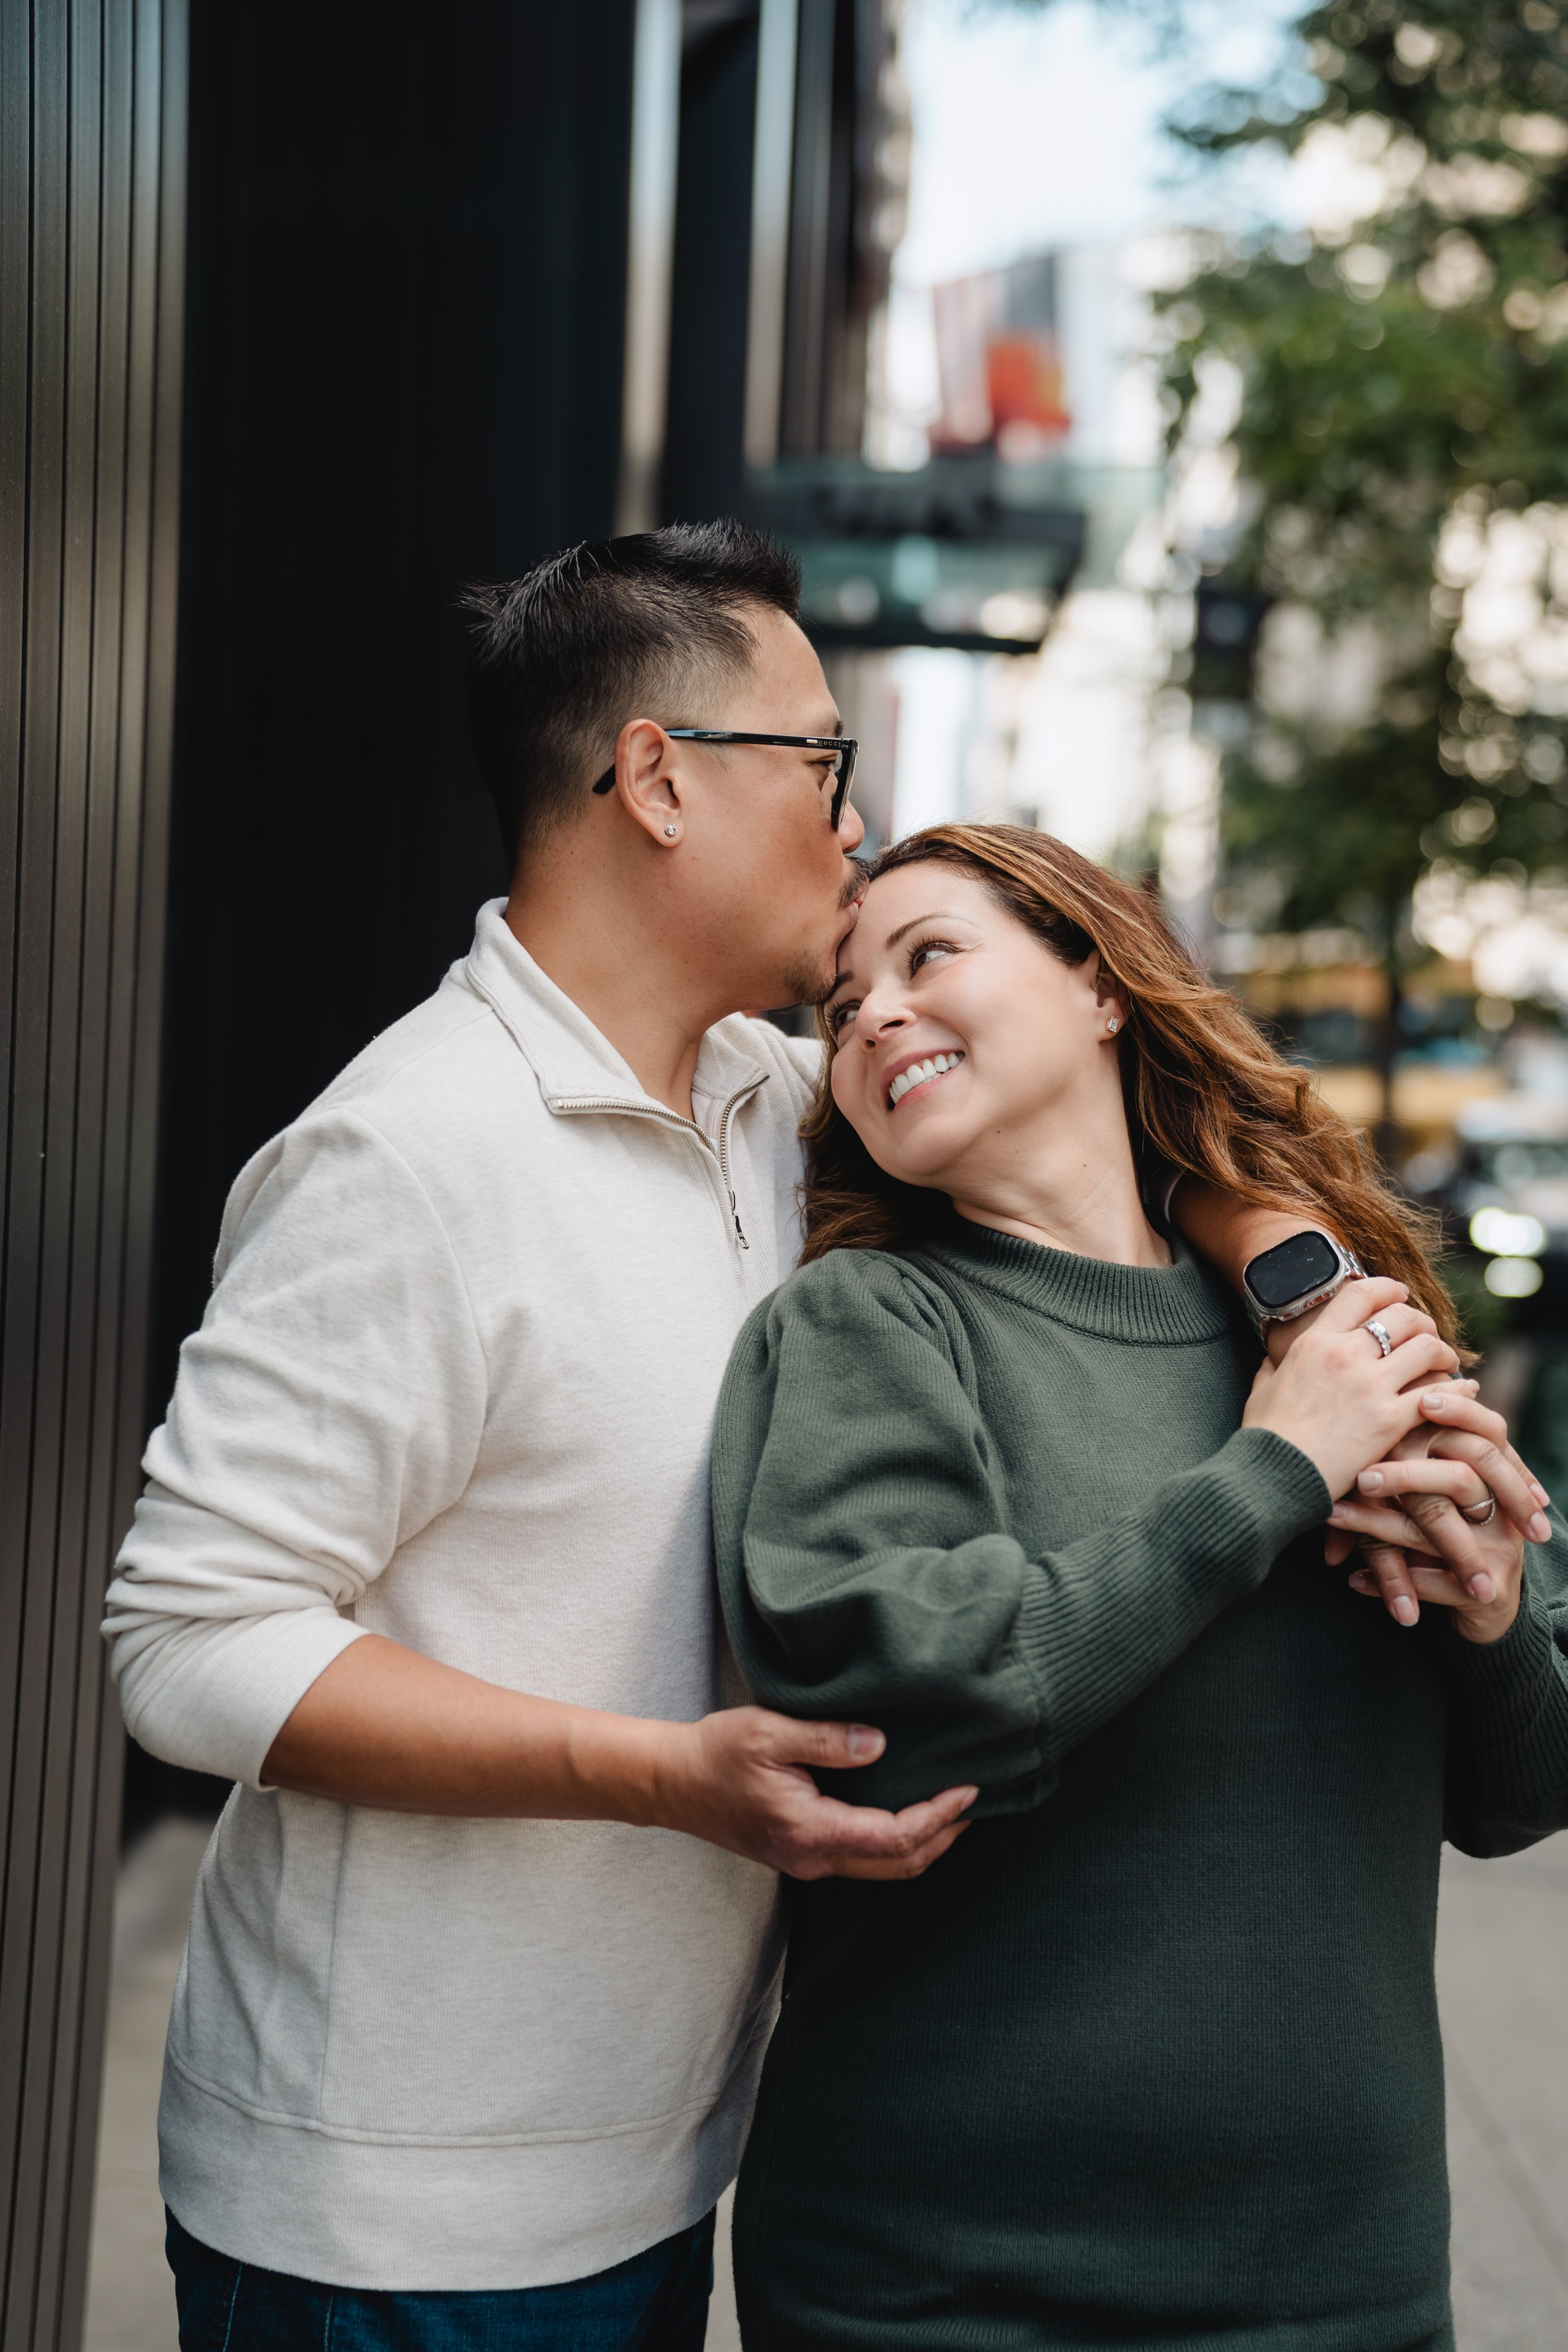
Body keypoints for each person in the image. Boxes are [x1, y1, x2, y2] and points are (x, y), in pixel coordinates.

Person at [104, 524, 1465, 2350]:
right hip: (394, 2210)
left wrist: (1301, 1285)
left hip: (666, 2164)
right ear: (661, 779)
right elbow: (186, 1644)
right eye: (820, 758)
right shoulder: (408, 1160)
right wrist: (660, 1772)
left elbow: (1111, 1126)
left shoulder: (768, 1092)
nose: (850, 815)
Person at [714, 822, 1568, 2352]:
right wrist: (1269, 1478)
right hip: (941, 2296)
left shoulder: (1330, 1333)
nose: (876, 1017)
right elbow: (899, 1712)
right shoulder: (866, 1327)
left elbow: (1521, 1790)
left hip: (1343, 2293)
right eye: (840, 1011)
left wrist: (1494, 1614)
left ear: (1100, 986)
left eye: (927, 956)